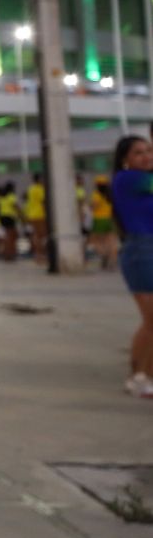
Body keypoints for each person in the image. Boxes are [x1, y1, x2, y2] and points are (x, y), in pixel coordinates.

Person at [111, 136, 153, 398]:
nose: (146, 156)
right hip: (142, 252)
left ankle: (141, 376)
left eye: (148, 150)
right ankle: (139, 377)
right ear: (125, 159)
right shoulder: (127, 179)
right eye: (138, 153)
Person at [92, 175, 118, 270]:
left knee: (97, 240)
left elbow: (94, 207)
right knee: (111, 241)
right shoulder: (111, 195)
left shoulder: (96, 195)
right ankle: (112, 260)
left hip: (99, 219)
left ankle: (103, 255)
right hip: (110, 219)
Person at [25, 173, 47, 264]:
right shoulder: (40, 189)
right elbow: (43, 201)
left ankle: (37, 255)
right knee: (42, 236)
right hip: (40, 214)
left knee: (36, 235)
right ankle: (41, 255)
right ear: (39, 179)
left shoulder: (31, 189)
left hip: (32, 214)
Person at [0, 182, 20, 262]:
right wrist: (21, 215)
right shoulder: (11, 196)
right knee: (10, 237)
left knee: (9, 236)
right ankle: (9, 254)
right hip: (9, 216)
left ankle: (8, 253)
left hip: (3, 216)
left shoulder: (3, 196)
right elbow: (15, 206)